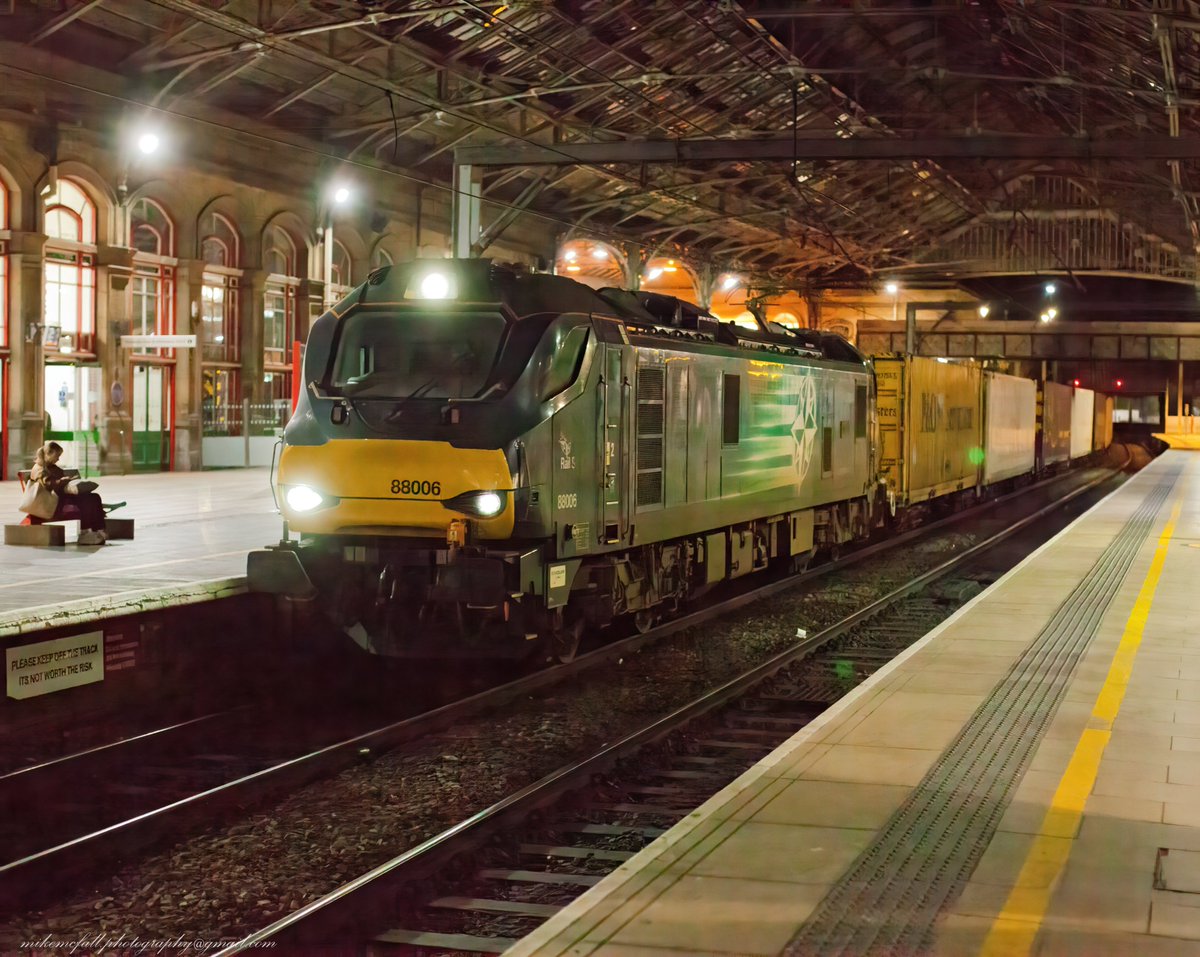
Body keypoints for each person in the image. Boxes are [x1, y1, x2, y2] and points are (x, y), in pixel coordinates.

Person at [30, 441, 107, 545]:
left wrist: (69, 479)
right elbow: (47, 484)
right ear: (49, 453)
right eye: (57, 456)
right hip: (54, 500)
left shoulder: (51, 466)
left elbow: (59, 477)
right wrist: (62, 481)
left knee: (94, 497)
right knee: (86, 501)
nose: (58, 459)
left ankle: (98, 529)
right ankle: (85, 532)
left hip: (63, 496)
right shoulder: (39, 468)